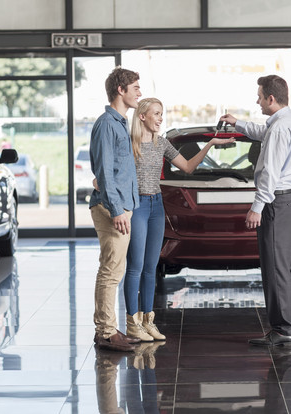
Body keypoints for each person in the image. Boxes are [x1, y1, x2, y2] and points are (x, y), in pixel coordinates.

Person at [120, 97, 235, 342]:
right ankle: (133, 323)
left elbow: (188, 167)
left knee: (151, 268)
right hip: (137, 207)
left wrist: (210, 145)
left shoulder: (162, 144)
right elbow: (114, 176)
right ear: (142, 117)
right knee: (135, 267)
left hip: (156, 206)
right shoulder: (129, 144)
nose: (161, 118)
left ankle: (148, 321)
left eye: (162, 114)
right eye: (156, 114)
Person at [219, 75, 291, 347]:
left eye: (259, 96)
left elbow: (270, 171)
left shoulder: (280, 129)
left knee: (275, 267)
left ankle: (281, 330)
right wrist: (238, 123)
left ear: (271, 98)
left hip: (276, 203)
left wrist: (257, 207)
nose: (257, 101)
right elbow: (263, 132)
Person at [90, 67, 142, 352]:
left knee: (115, 269)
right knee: (110, 271)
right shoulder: (107, 124)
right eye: (135, 87)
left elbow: (108, 169)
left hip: (122, 205)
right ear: (120, 90)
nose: (139, 92)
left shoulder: (120, 123)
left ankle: (109, 327)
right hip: (113, 208)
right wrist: (117, 210)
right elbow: (106, 173)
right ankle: (106, 332)